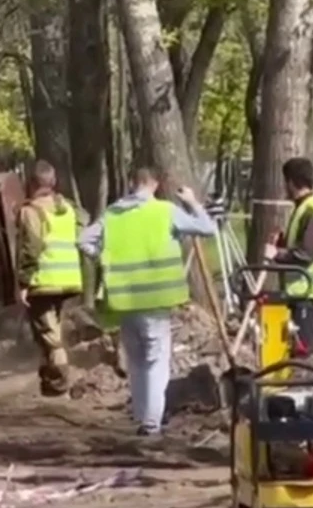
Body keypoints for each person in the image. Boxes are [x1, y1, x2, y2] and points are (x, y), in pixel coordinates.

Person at [79, 167, 218, 436]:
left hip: (125, 301)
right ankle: (151, 423)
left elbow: (83, 240)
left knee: (137, 362)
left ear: (133, 183)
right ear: (155, 184)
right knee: (155, 362)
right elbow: (208, 228)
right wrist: (191, 202)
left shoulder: (113, 214)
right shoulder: (165, 211)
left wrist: (102, 258)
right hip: (155, 303)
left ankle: (141, 416)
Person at [16, 160, 86, 397]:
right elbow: (83, 226)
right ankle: (51, 380)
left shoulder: (32, 211)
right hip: (69, 279)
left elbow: (31, 247)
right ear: (53, 182)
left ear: (32, 183)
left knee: (48, 333)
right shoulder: (68, 208)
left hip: (44, 281)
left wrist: (24, 282)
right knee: (52, 328)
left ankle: (60, 382)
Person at [268, 157, 313, 355]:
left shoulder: (311, 211)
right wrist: (281, 243)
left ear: (291, 182)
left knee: (302, 347)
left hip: (309, 291)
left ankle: (306, 381)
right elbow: (299, 245)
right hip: (301, 291)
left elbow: (306, 253)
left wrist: (277, 254)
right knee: (295, 343)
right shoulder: (303, 208)